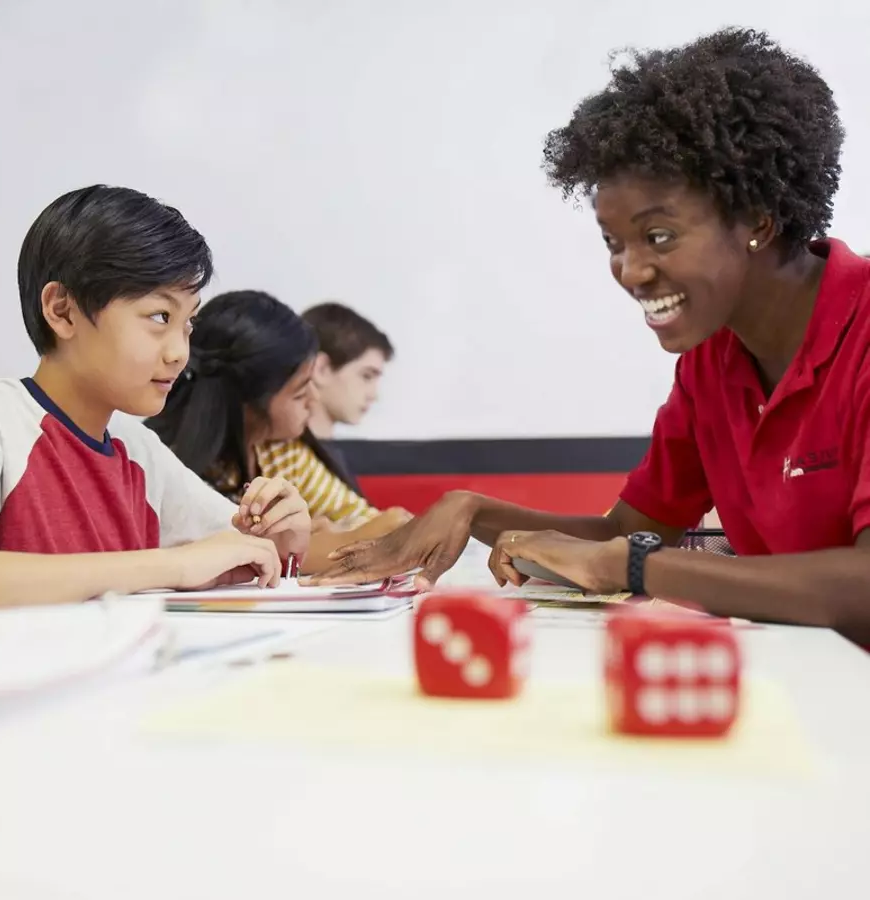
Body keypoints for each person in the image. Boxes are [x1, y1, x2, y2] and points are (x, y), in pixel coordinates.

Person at [310, 28, 870, 644]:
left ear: (757, 219)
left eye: (658, 237)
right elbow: (625, 534)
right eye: (614, 242)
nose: (630, 271)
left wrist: (637, 566)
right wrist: (470, 509)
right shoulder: (712, 360)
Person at [0, 185, 312, 610]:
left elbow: (241, 549)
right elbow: (184, 565)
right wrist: (170, 566)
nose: (180, 353)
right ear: (62, 310)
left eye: (188, 324)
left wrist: (282, 535)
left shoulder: (139, 451)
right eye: (159, 316)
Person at [145, 290, 407, 570]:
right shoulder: (163, 464)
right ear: (249, 399)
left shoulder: (280, 451)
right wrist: (329, 540)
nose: (313, 400)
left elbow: (359, 516)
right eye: (299, 392)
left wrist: (334, 531)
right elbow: (243, 555)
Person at [301, 302, 393, 483]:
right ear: (321, 369)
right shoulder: (292, 461)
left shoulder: (327, 457)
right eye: (366, 376)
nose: (374, 396)